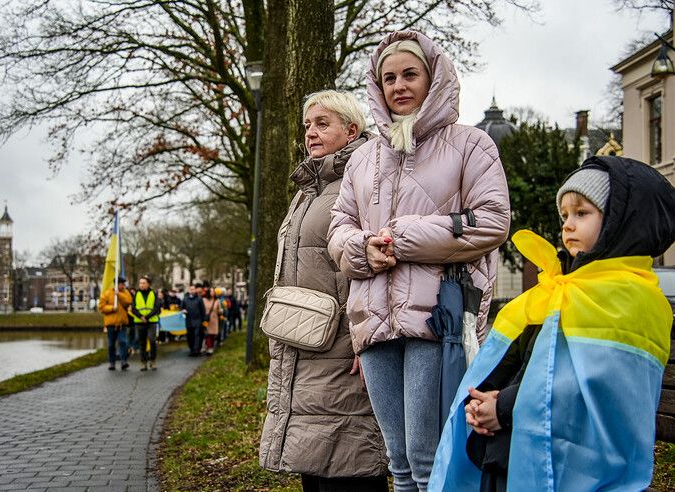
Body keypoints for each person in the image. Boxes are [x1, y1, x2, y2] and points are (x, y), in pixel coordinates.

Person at [327, 31, 510, 491]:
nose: (399, 85)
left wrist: (402, 238)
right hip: (373, 322)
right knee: (400, 462)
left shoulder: (471, 145)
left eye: (410, 74)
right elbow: (339, 227)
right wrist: (362, 249)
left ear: (434, 79)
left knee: (430, 461)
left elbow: (492, 221)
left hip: (436, 320)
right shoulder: (363, 158)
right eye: (388, 77)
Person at [429, 156, 675, 491]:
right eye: (565, 216)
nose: (568, 225)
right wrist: (480, 398)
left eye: (582, 213)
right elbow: (515, 356)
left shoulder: (631, 300)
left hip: (570, 467)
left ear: (622, 222)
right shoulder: (559, 290)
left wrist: (501, 408)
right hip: (509, 451)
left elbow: (586, 390)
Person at [260, 89, 389, 491]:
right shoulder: (306, 191)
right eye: (306, 125)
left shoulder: (368, 181)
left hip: (342, 352)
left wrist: (367, 341)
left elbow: (380, 263)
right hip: (302, 349)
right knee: (313, 469)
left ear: (352, 130)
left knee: (351, 466)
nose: (310, 133)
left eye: (322, 124)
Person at [98, 276, 132, 371]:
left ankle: (123, 361)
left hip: (122, 323)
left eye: (123, 284)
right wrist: (112, 308)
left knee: (123, 342)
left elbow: (128, 302)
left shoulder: (125, 293)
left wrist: (119, 295)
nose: (123, 286)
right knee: (111, 344)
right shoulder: (107, 293)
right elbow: (101, 307)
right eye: (121, 284)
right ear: (116, 284)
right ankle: (112, 362)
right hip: (111, 324)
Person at [129, 276, 162, 371]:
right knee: (142, 343)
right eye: (140, 283)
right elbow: (133, 308)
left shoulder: (154, 293)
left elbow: (157, 308)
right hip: (139, 322)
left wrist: (146, 317)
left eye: (143, 283)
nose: (141, 285)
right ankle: (143, 362)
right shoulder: (136, 294)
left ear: (148, 284)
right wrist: (141, 317)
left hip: (151, 321)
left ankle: (153, 360)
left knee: (152, 340)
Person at [182, 284, 206, 356]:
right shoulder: (185, 299)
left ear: (195, 290)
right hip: (189, 320)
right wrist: (183, 310)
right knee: (190, 335)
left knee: (197, 335)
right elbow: (182, 307)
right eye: (190, 289)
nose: (191, 290)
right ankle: (191, 349)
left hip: (197, 319)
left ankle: (196, 350)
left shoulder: (199, 299)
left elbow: (203, 310)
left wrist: (203, 319)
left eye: (193, 289)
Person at [201, 286, 219, 355]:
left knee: (212, 334)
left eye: (213, 292)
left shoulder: (216, 301)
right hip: (206, 319)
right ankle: (209, 347)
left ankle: (209, 346)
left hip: (214, 319)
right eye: (211, 291)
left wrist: (221, 310)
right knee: (207, 334)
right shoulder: (204, 300)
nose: (212, 293)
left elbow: (219, 310)